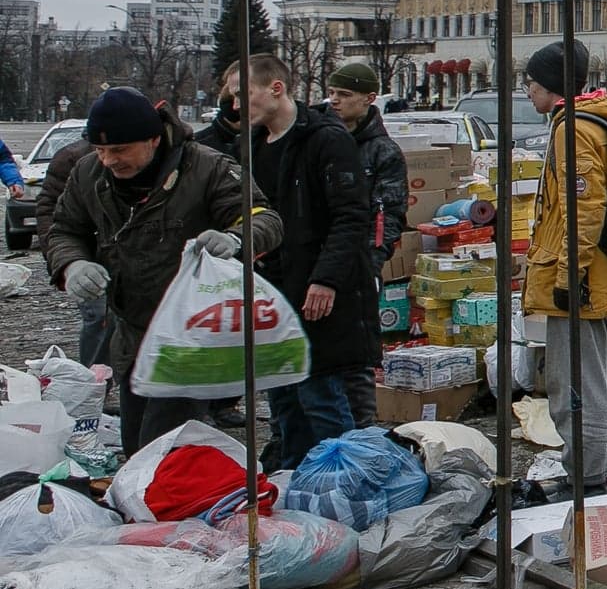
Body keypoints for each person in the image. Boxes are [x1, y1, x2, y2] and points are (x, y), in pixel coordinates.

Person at [44, 86, 282, 456]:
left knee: (159, 445)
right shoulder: (88, 173)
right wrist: (71, 264)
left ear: (154, 139)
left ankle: (159, 505)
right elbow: (64, 229)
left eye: (120, 150)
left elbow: (264, 218)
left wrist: (236, 239)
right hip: (133, 334)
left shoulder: (206, 167)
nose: (109, 160)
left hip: (192, 336)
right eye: (101, 150)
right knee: (136, 442)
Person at [239, 55, 377, 467]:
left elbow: (352, 217)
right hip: (270, 293)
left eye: (243, 94)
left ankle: (348, 482)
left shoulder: (325, 139)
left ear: (275, 89)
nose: (236, 105)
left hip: (316, 294)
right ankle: (294, 483)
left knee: (322, 397)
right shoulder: (248, 145)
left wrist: (326, 280)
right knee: (283, 402)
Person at [524, 39, 607, 494]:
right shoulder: (583, 124)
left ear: (550, 85)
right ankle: (586, 474)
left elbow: (583, 209)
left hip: (580, 281)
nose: (527, 91)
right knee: (588, 381)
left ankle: (586, 481)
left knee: (578, 387)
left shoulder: (574, 131)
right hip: (590, 275)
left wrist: (569, 275)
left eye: (530, 83)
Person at [324, 60, 407, 427]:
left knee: (358, 353)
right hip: (322, 260)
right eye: (331, 93)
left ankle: (364, 430)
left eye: (344, 94)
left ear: (369, 98)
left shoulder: (381, 152)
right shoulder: (322, 139)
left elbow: (389, 214)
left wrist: (374, 259)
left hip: (360, 264)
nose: (334, 101)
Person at [35, 135, 106, 364]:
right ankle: (94, 381)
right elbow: (50, 214)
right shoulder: (72, 158)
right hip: (89, 256)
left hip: (130, 258)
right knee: (98, 317)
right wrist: (65, 262)